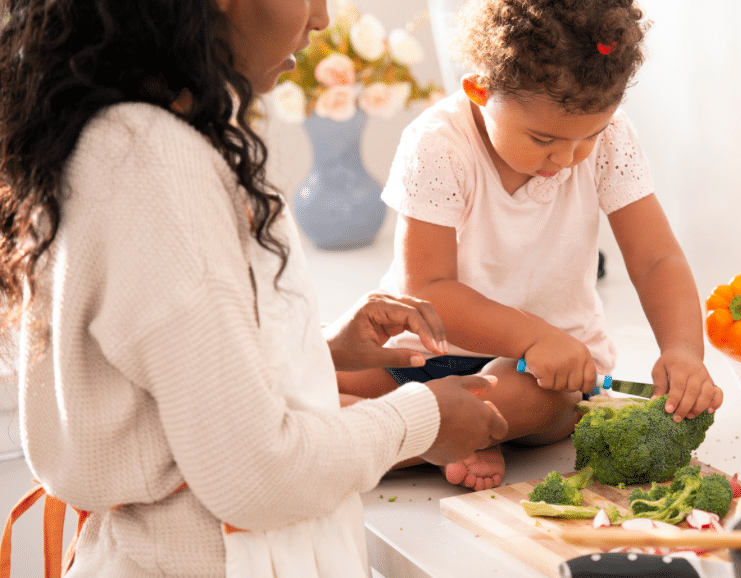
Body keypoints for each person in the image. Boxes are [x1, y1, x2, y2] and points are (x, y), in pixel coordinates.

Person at [0, 1, 507, 576]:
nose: (321, 18)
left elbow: (151, 386)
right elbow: (257, 473)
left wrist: (313, 352)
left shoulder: (115, 135)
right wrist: (422, 420)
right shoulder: (154, 164)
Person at [335, 0, 724, 492]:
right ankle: (443, 435)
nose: (565, 158)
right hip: (426, 353)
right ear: (480, 90)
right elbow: (428, 288)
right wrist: (531, 335)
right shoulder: (437, 144)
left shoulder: (609, 141)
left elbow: (656, 259)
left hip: (548, 374)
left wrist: (684, 350)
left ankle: (412, 437)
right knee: (310, 387)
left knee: (543, 402)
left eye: (588, 137)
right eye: (542, 139)